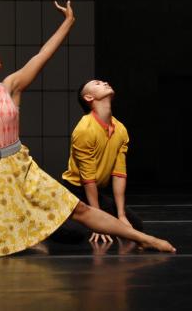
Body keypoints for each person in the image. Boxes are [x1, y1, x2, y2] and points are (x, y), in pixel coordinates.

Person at [0, 1, 176, 257]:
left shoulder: (10, 86)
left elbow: (42, 55)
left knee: (78, 209)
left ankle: (145, 239)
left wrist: (68, 22)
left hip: (17, 166)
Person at [56, 79, 144, 243]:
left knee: (135, 225)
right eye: (97, 83)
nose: (104, 82)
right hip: (74, 190)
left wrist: (121, 215)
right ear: (89, 97)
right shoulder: (84, 129)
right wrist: (97, 222)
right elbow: (87, 178)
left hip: (95, 190)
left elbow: (119, 174)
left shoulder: (121, 129)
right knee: (75, 234)